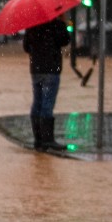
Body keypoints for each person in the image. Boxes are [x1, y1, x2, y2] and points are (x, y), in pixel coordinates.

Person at [23, 16, 71, 151]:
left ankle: (38, 139)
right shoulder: (56, 23)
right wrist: (63, 23)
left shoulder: (32, 23)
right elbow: (65, 40)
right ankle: (48, 140)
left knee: (37, 102)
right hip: (51, 69)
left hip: (36, 69)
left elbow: (26, 47)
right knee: (47, 104)